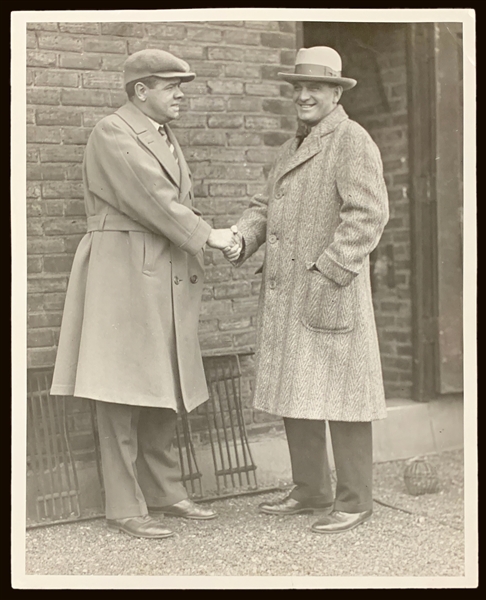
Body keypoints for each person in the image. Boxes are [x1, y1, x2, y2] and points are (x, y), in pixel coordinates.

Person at [50, 49, 240, 539]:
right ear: (141, 90)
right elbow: (154, 199)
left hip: (159, 267)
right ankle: (124, 505)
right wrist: (208, 234)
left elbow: (164, 200)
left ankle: (166, 492)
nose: (181, 94)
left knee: (162, 382)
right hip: (123, 270)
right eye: (171, 85)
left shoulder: (162, 135)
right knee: (119, 387)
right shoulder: (113, 132)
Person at [224, 46, 389, 534]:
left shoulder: (351, 140)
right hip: (288, 293)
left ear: (336, 92)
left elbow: (368, 214)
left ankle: (356, 500)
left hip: (329, 289)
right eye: (297, 87)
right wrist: (242, 237)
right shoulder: (290, 147)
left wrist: (329, 270)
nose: (303, 95)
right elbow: (261, 206)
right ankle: (312, 490)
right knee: (296, 390)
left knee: (344, 396)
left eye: (314, 87)